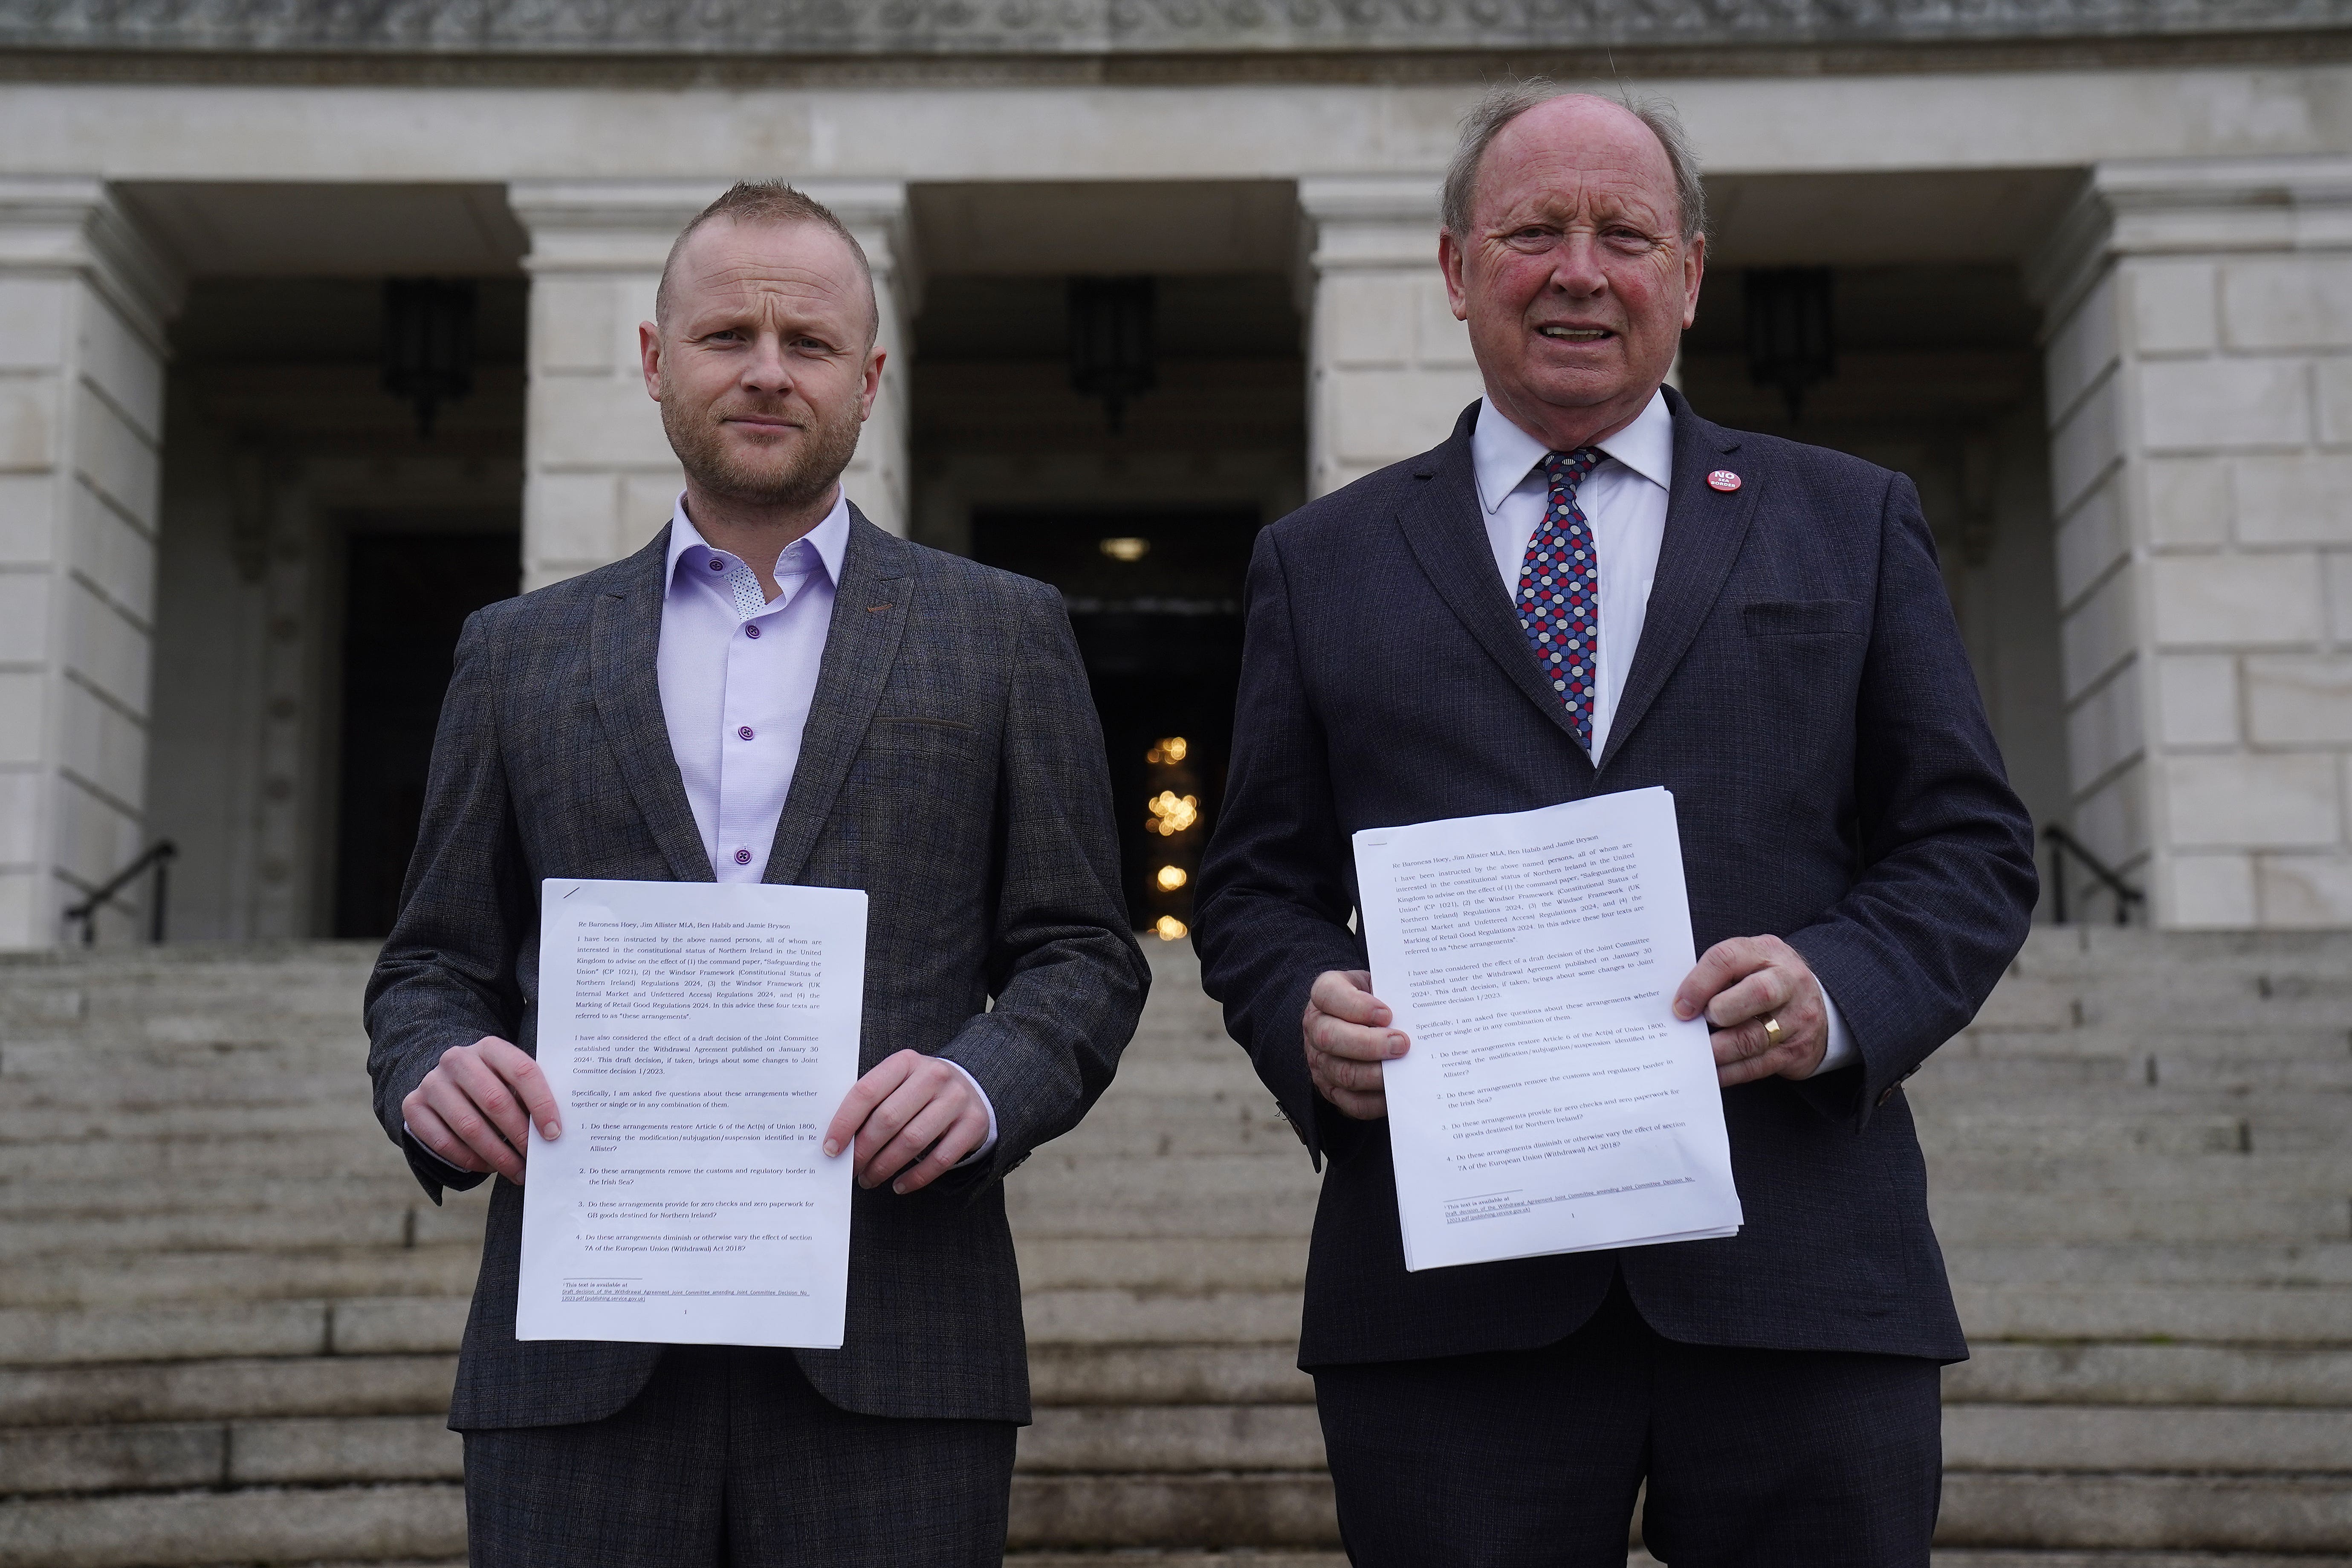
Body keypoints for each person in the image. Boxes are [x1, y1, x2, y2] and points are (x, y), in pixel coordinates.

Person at [1192, 86, 2037, 1567]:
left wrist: (1837, 991)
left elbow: (1969, 847)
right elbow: (1254, 885)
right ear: (1457, 269)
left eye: (1625, 236)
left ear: (1689, 276)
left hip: (1797, 1274)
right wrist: (1303, 1010)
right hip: (1452, 1305)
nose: (1579, 271)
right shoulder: (1322, 563)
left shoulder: (1848, 519)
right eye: (1533, 231)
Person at [364, 182, 1146, 1567]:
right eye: (728, 335)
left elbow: (1083, 950)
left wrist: (981, 1084)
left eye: (811, 342)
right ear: (655, 358)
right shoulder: (516, 651)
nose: (770, 371)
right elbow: (431, 963)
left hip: (898, 1341)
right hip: (580, 1356)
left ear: (870, 378)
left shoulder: (1003, 635)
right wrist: (434, 1070)